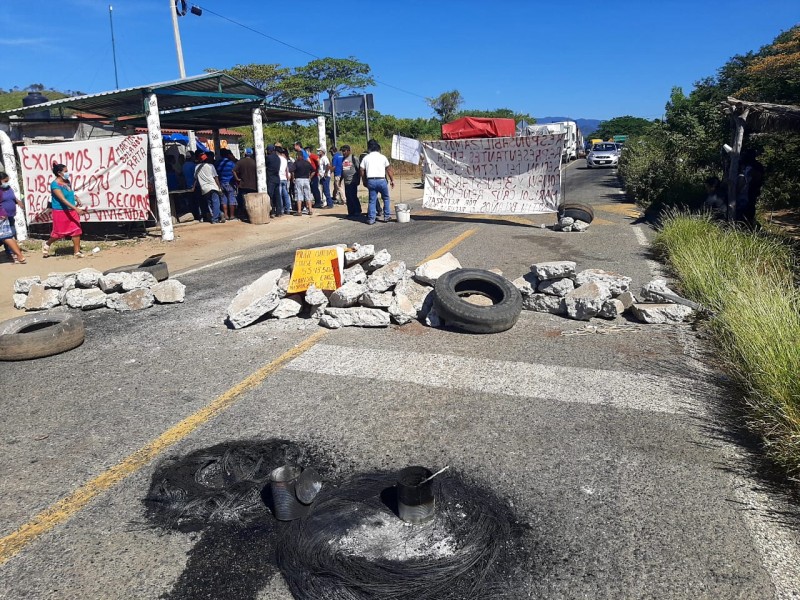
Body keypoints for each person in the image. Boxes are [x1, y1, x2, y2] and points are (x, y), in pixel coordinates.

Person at [43, 162, 89, 258]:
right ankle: (47, 243)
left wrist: (76, 198)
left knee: (76, 230)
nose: (68, 173)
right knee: (58, 234)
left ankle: (76, 252)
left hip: (71, 210)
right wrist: (76, 208)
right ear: (59, 173)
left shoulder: (67, 181)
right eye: (66, 171)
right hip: (61, 212)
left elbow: (70, 192)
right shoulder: (54, 185)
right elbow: (62, 199)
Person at [360, 139, 395, 224]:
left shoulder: (366, 158)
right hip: (381, 180)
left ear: (369, 148)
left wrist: (364, 180)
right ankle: (386, 216)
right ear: (378, 148)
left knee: (372, 200)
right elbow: (389, 169)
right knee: (386, 198)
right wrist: (392, 180)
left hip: (371, 180)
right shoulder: (383, 157)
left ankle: (371, 219)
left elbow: (361, 170)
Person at [1, 171, 25, 262]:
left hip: (10, 215)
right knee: (8, 235)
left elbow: (12, 197)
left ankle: (10, 251)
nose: (7, 183)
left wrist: (17, 201)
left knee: (10, 233)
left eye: (8, 180)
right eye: (5, 181)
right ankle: (13, 253)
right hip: (2, 217)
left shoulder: (8, 188)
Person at [193, 152, 224, 223]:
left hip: (204, 188)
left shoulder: (196, 167)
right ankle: (215, 218)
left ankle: (217, 215)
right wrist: (219, 187)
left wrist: (193, 187)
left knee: (210, 203)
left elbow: (195, 178)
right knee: (216, 202)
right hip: (213, 186)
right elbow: (216, 177)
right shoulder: (211, 166)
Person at [233, 148, 257, 221]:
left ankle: (243, 215)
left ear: (245, 153)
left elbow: (233, 170)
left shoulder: (240, 162)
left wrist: (237, 178)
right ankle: (252, 215)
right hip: (253, 185)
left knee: (243, 201)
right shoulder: (255, 162)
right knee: (252, 201)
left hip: (243, 185)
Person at [217, 148, 238, 221]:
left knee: (224, 199)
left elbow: (217, 173)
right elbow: (235, 171)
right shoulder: (231, 163)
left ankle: (226, 215)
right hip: (230, 182)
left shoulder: (218, 163)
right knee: (232, 198)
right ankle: (232, 215)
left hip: (222, 183)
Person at [341, 145, 362, 218]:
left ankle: (357, 211)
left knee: (353, 196)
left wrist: (358, 180)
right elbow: (343, 170)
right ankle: (351, 212)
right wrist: (340, 180)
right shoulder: (343, 159)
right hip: (346, 182)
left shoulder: (354, 158)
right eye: (342, 151)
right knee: (348, 197)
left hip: (353, 181)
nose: (343, 153)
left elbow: (359, 169)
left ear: (349, 151)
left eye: (344, 151)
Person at [292, 150, 314, 216]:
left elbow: (292, 171)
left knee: (299, 195)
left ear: (298, 156)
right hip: (306, 179)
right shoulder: (307, 163)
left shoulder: (296, 163)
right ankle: (310, 210)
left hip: (299, 179)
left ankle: (299, 211)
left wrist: (293, 178)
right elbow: (313, 170)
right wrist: (310, 177)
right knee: (308, 195)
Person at [265, 144, 284, 217]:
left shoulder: (268, 158)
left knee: (270, 195)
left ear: (269, 150)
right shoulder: (278, 158)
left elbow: (265, 165)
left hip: (271, 179)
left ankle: (272, 211)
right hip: (277, 178)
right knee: (278, 196)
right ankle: (279, 212)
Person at [277, 147, 292, 215]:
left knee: (279, 195)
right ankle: (288, 208)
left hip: (279, 177)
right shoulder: (285, 159)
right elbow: (287, 170)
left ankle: (281, 209)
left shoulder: (277, 159)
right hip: (284, 178)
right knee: (286, 194)